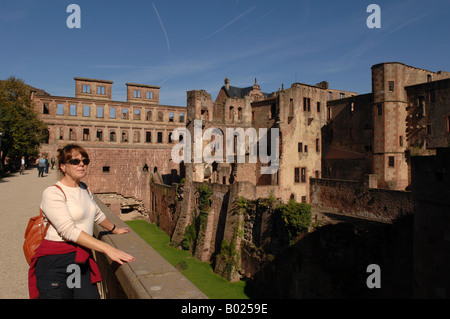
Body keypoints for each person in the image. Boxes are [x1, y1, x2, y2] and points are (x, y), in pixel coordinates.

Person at [28, 144, 135, 299]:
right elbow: (68, 230)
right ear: (63, 167)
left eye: (85, 161)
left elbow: (96, 215)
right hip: (55, 262)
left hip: (78, 261)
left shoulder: (84, 188)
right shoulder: (52, 193)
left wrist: (115, 230)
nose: (81, 164)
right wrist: (107, 249)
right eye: (75, 161)